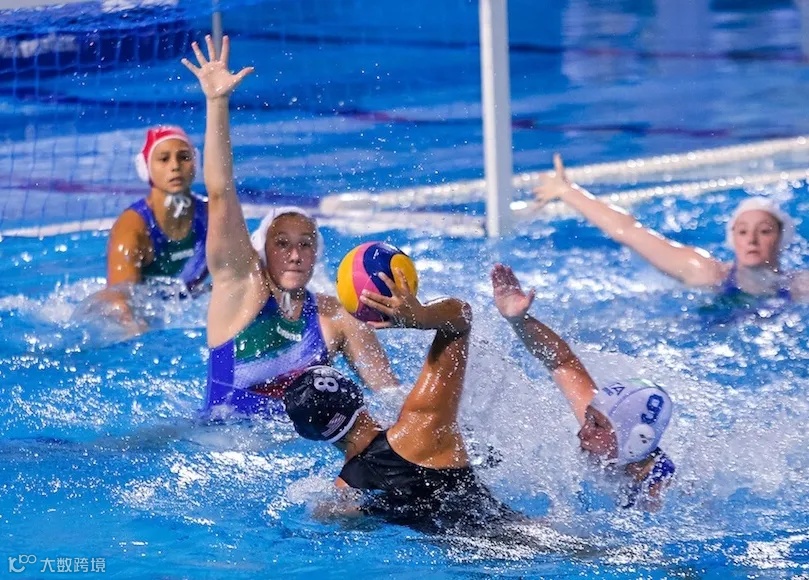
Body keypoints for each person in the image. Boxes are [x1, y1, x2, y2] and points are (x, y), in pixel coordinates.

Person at [182, 36, 398, 418]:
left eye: (305, 244)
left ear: (316, 255)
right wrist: (217, 103)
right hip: (220, 441)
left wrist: (415, 318)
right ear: (262, 250)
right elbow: (220, 193)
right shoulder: (239, 288)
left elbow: (391, 397)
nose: (295, 254)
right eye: (281, 243)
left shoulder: (338, 319)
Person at [282, 266, 519, 533]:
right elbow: (460, 320)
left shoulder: (342, 497)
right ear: (356, 394)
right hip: (518, 539)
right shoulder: (420, 426)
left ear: (310, 434)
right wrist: (421, 316)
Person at [491, 263, 675, 510]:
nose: (583, 432)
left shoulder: (656, 492)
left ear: (635, 441)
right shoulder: (611, 430)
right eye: (589, 418)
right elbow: (562, 362)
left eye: (596, 425)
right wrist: (519, 320)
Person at [534, 154, 808, 302]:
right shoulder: (705, 272)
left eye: (765, 231)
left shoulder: (799, 286)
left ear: (781, 238)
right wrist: (567, 192)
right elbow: (628, 231)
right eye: (743, 231)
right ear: (732, 238)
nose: (752, 240)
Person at [91, 125, 209, 333]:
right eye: (164, 159)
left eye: (184, 157)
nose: (175, 166)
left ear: (195, 162)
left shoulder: (212, 217)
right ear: (145, 167)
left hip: (184, 306)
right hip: (146, 312)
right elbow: (119, 300)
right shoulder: (133, 228)